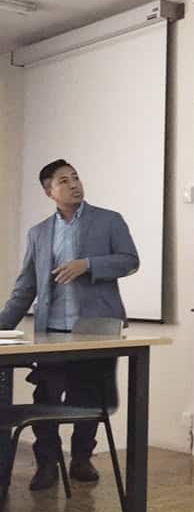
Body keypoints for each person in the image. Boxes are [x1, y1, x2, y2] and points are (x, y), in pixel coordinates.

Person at [0, 159, 139, 491]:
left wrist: (88, 265)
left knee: (88, 397)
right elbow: (25, 288)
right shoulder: (38, 233)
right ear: (50, 191)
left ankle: (81, 459)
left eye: (76, 177)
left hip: (95, 332)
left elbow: (130, 260)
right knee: (45, 395)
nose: (74, 183)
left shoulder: (109, 221)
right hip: (53, 335)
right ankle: (47, 463)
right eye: (65, 180)